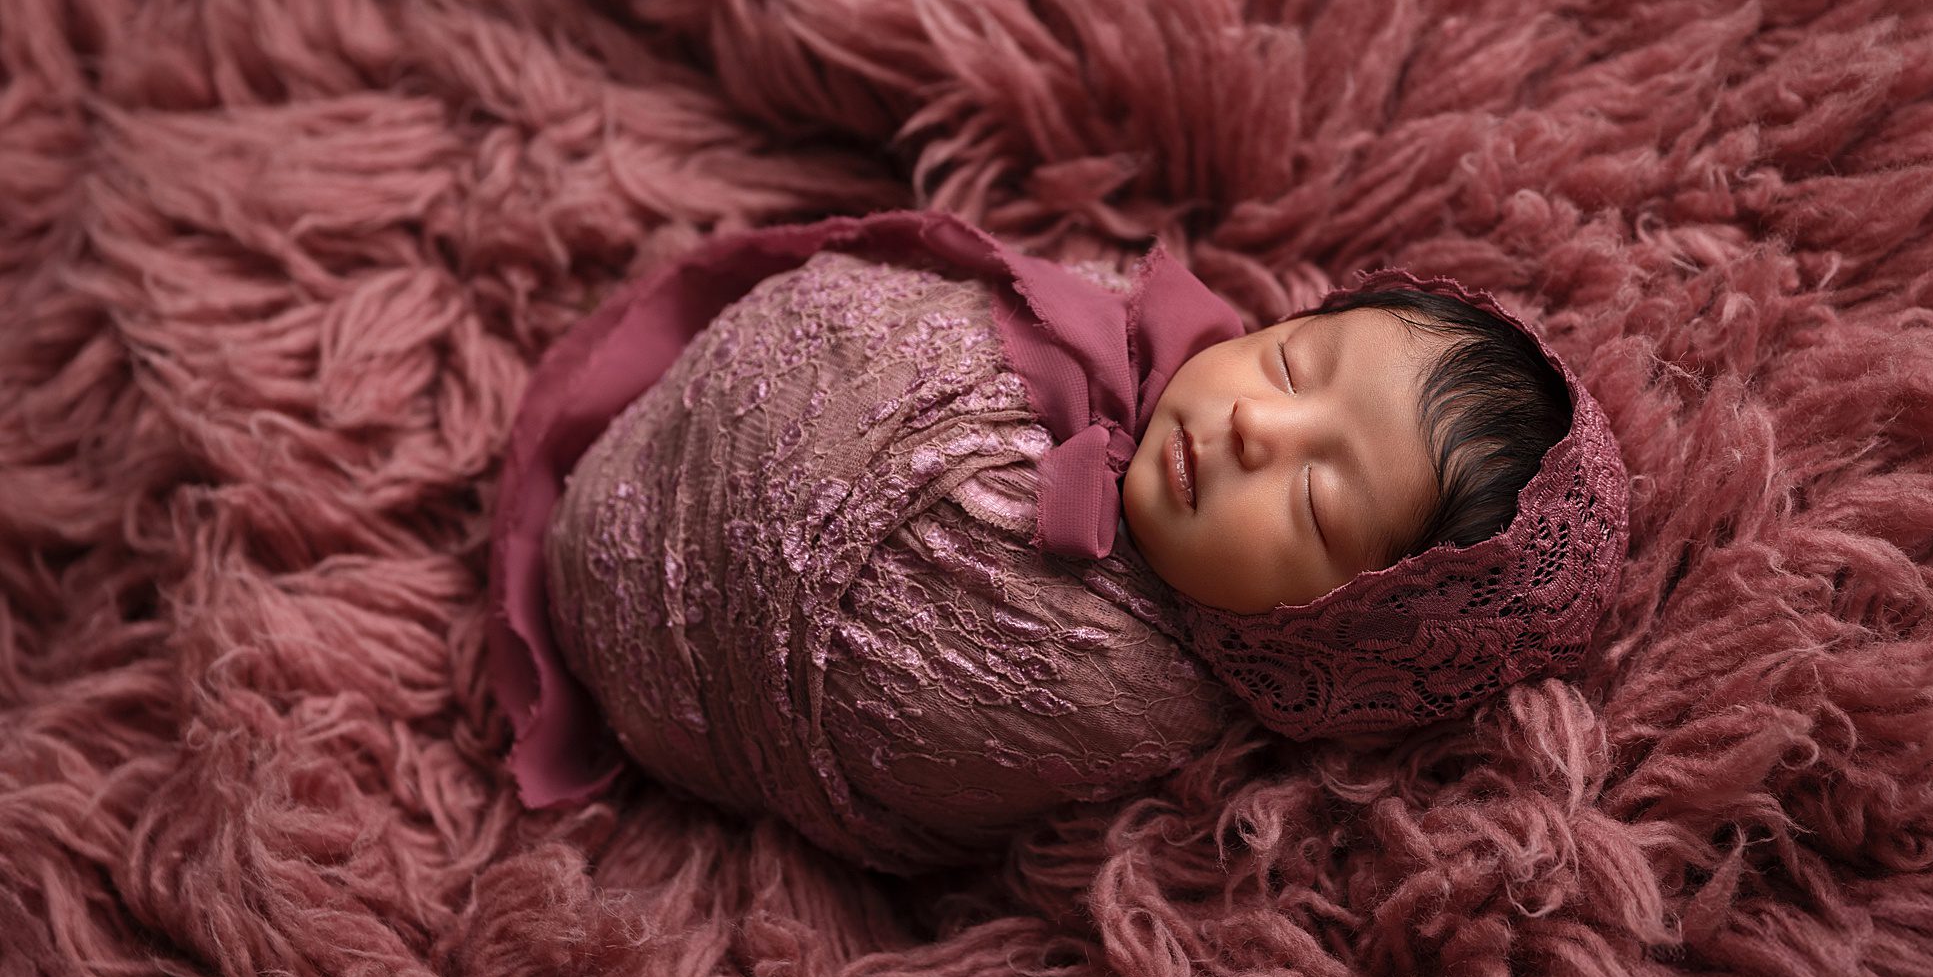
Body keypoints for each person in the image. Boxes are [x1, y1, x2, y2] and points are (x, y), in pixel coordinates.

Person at [487, 211, 1629, 873]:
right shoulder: (1122, 331)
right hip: (676, 433)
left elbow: (924, 736)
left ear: (1325, 639)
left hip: (689, 658)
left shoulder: (1118, 683)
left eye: (1316, 503)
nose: (1249, 428)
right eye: (1289, 364)